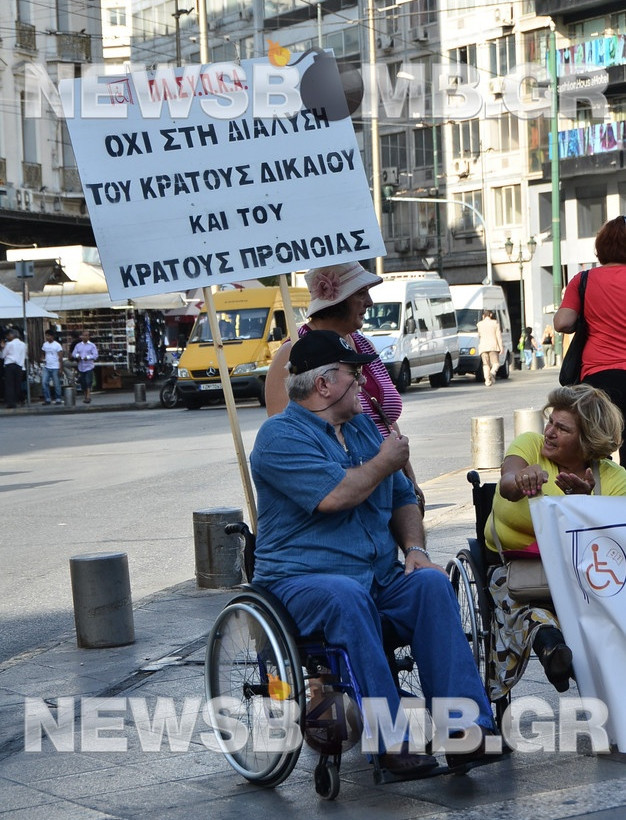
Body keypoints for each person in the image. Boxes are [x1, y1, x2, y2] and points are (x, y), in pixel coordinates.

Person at [251, 330, 499, 774]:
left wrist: (416, 548)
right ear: (323, 384)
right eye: (354, 374)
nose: (365, 384)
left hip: (379, 575)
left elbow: (404, 497)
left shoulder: (363, 427)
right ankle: (390, 740)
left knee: (429, 584)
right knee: (344, 596)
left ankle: (466, 730)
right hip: (301, 581)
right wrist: (386, 460)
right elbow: (336, 496)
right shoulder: (278, 437)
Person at [485, 384, 626, 700]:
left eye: (562, 429)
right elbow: (507, 484)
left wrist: (583, 505)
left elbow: (615, 541)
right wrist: (521, 481)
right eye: (550, 422)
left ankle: (564, 656)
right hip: (520, 571)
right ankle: (552, 648)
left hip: (584, 577)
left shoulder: (614, 478)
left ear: (587, 442)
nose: (549, 432)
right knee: (532, 609)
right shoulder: (530, 446)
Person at [265, 262, 424, 509]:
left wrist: (407, 476)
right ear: (337, 301)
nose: (370, 302)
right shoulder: (294, 353)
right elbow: (288, 433)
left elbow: (385, 421)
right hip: (343, 490)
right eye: (361, 293)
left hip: (388, 484)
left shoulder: (363, 346)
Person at [554, 215, 626, 465]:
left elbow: (562, 323)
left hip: (598, 381)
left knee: (596, 452)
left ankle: (600, 501)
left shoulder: (584, 280)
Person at [476, 310, 502, 387]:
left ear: (483, 316)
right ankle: (492, 372)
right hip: (493, 346)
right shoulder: (495, 323)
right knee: (496, 363)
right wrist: (501, 347)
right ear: (490, 315)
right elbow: (498, 336)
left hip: (483, 347)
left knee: (485, 364)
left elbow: (479, 335)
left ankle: (487, 380)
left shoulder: (479, 324)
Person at [72, 330, 98, 404]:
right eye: (84, 335)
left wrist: (88, 357)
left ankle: (88, 396)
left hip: (89, 366)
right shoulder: (78, 345)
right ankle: (85, 395)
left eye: (87, 335)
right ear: (81, 336)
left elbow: (95, 355)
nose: (85, 337)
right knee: (83, 382)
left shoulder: (92, 345)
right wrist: (78, 356)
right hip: (81, 366)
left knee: (88, 381)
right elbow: (74, 353)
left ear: (89, 337)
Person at [3, 327, 26, 409]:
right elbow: (23, 356)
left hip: (10, 365)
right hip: (19, 366)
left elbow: (3, 355)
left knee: (10, 385)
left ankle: (10, 402)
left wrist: (2, 348)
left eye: (8, 335)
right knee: (17, 384)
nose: (7, 337)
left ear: (12, 335)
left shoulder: (9, 344)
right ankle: (17, 400)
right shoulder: (23, 344)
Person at [40, 329, 63, 405]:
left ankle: (58, 398)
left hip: (55, 367)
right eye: (46, 336)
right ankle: (47, 398)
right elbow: (43, 353)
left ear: (52, 336)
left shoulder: (57, 345)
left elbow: (60, 357)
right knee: (44, 382)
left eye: (48, 336)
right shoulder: (45, 344)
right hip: (47, 366)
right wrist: (42, 359)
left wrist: (60, 368)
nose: (47, 337)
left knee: (56, 383)